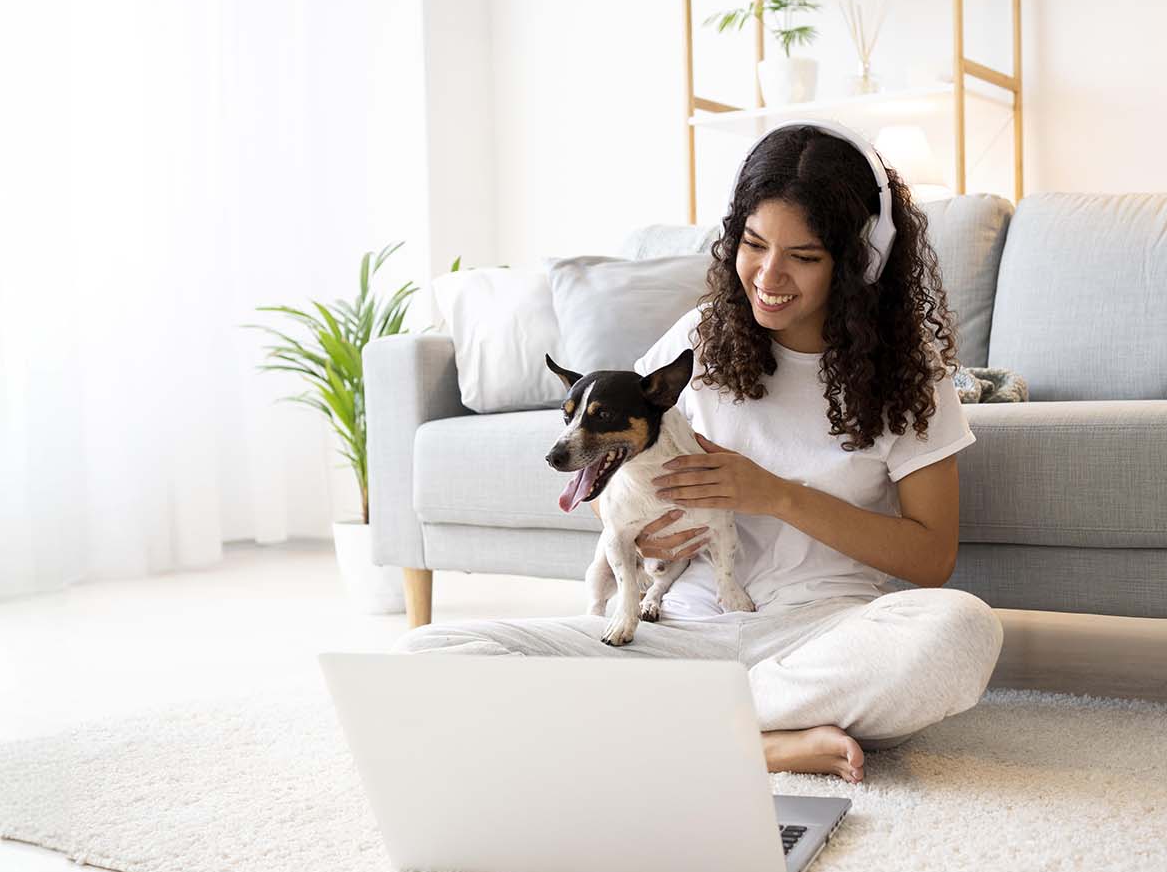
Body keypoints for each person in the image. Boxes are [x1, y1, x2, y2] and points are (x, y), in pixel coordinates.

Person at [397, 121, 1003, 783]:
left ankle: (668, 725)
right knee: (430, 653)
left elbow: (929, 557)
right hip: (670, 635)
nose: (768, 277)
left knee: (961, 630)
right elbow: (618, 476)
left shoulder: (908, 374)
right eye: (752, 244)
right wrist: (640, 533)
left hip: (817, 636)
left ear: (858, 263)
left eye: (803, 257)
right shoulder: (698, 340)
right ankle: (759, 736)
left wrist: (773, 494)